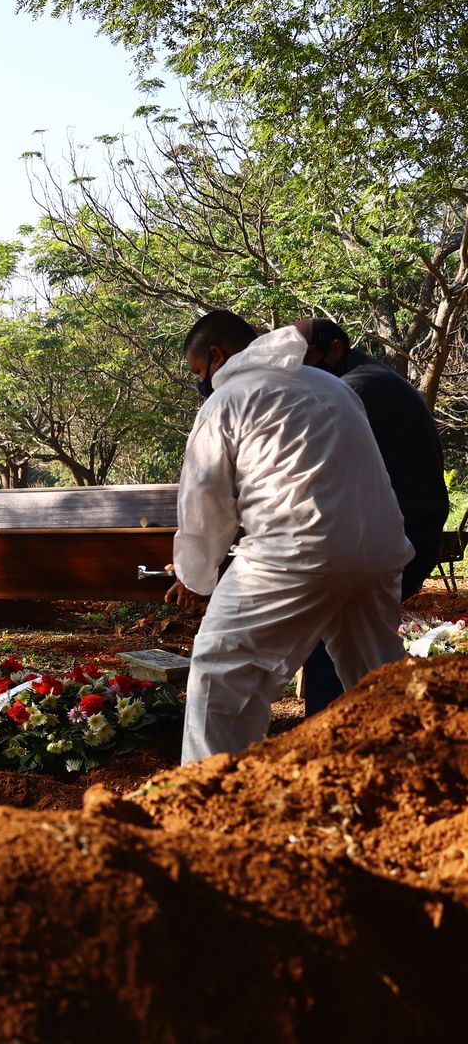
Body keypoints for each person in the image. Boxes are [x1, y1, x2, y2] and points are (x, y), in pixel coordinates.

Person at [166, 311, 410, 763]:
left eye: (199, 372)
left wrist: (194, 576)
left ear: (217, 356)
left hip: (295, 552)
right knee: (379, 679)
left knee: (221, 672)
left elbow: (205, 501)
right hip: (379, 550)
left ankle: (208, 802)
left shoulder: (228, 400)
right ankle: (410, 777)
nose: (201, 382)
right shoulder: (330, 384)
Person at [292, 318, 448, 716]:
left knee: (333, 640)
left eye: (302, 357)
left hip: (396, 538)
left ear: (336, 349)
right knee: (352, 645)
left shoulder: (353, 390)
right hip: (400, 532)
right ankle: (369, 735)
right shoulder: (367, 380)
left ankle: (337, 745)